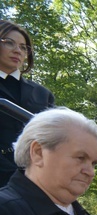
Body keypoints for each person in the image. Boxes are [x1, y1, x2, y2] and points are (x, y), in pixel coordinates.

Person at [0, 20, 55, 187]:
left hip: (36, 179)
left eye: (24, 47)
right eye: (9, 43)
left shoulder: (42, 93)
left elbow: (52, 138)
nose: (18, 50)